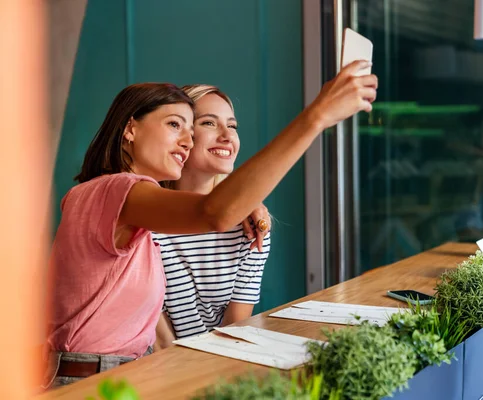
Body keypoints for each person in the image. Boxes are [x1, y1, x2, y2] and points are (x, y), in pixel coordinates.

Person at [44, 60, 377, 388]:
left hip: (131, 374)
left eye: (191, 130)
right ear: (131, 128)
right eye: (175, 125)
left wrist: (247, 203)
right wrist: (316, 117)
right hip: (89, 380)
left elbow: (213, 212)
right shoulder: (115, 191)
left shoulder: (135, 210)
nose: (187, 142)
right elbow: (214, 213)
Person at [152, 85, 271, 346]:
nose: (228, 136)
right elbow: (158, 342)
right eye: (209, 123)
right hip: (153, 371)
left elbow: (234, 331)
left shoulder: (251, 227)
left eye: (233, 125)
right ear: (180, 135)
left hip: (216, 366)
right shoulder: (144, 218)